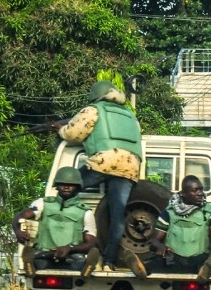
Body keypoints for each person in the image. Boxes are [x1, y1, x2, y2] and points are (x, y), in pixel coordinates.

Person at [54, 80, 144, 273]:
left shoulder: (94, 109)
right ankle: (109, 261)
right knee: (117, 216)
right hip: (130, 166)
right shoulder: (130, 115)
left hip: (104, 161)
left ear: (96, 96)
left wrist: (60, 129)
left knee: (67, 189)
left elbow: (74, 134)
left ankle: (67, 245)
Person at [12, 167, 101, 278]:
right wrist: (17, 230)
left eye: (71, 184)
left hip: (71, 255)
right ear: (57, 186)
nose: (66, 187)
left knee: (78, 264)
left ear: (78, 187)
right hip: (45, 254)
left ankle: (87, 267)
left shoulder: (85, 212)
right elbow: (20, 216)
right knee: (41, 263)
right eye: (62, 183)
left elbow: (91, 243)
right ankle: (30, 264)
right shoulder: (43, 204)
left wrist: (70, 248)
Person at [147, 175, 211, 281]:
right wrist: (160, 247)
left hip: (199, 258)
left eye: (201, 189)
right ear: (183, 194)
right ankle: (141, 270)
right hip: (173, 259)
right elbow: (154, 240)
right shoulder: (169, 212)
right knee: (156, 259)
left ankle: (205, 272)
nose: (200, 193)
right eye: (195, 190)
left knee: (210, 259)